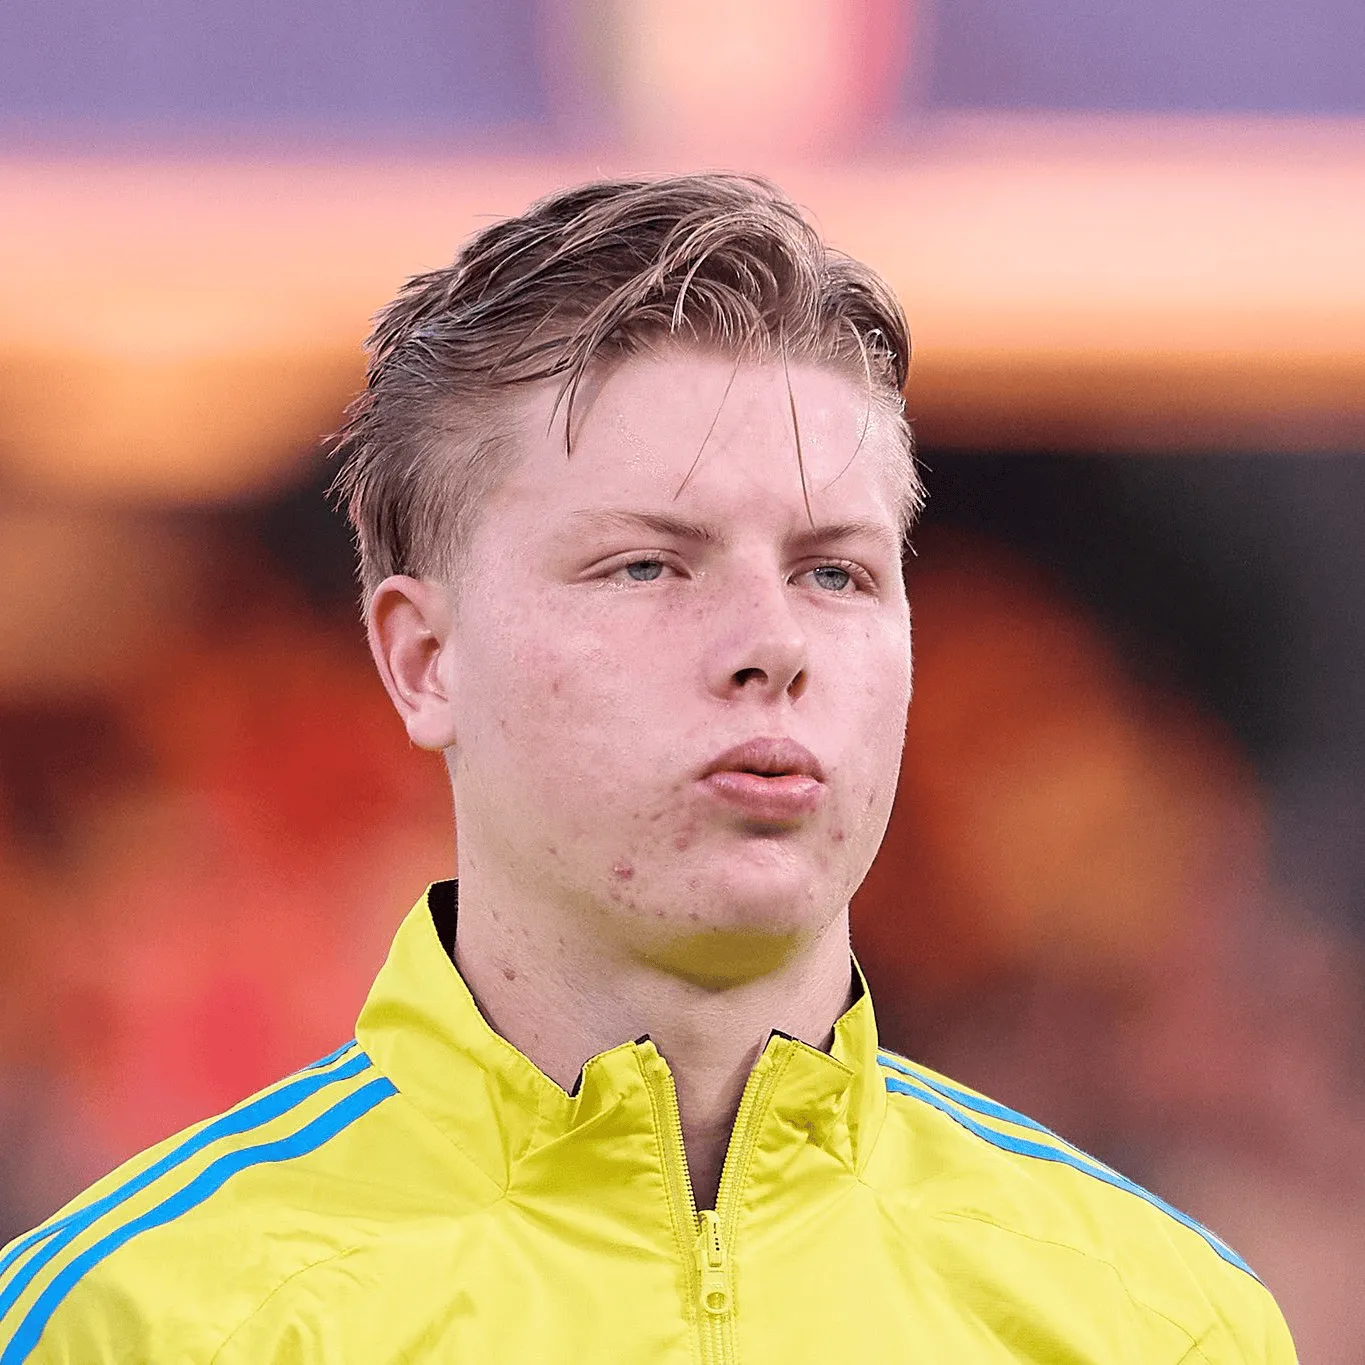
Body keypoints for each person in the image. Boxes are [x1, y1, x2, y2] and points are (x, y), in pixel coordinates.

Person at [0, 174, 1295, 1363]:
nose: (771, 644)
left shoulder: (1162, 1324)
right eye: (647, 566)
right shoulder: (131, 1327)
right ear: (425, 660)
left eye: (835, 572)